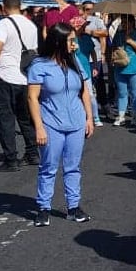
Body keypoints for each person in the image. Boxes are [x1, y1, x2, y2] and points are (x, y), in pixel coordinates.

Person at [27, 22, 95, 227]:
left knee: (73, 167)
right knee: (48, 167)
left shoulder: (75, 61)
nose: (74, 44)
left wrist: (89, 118)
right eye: (71, 40)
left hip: (76, 123)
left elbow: (84, 91)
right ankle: (43, 208)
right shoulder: (39, 65)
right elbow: (32, 98)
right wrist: (39, 126)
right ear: (58, 42)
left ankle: (73, 207)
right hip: (51, 123)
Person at [0, 0, 41, 171]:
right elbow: (34, 52)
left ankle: (11, 158)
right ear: (20, 5)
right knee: (25, 118)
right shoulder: (31, 25)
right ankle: (32, 152)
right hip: (25, 76)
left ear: (4, 7)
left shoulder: (3, 23)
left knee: (5, 119)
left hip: (5, 74)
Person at [112, 13, 136, 127]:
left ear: (132, 22)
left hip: (135, 68)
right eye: (122, 22)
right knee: (122, 93)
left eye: (126, 22)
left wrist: (131, 41)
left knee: (135, 93)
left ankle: (135, 116)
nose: (124, 24)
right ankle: (121, 116)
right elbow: (113, 48)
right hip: (120, 68)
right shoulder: (118, 35)